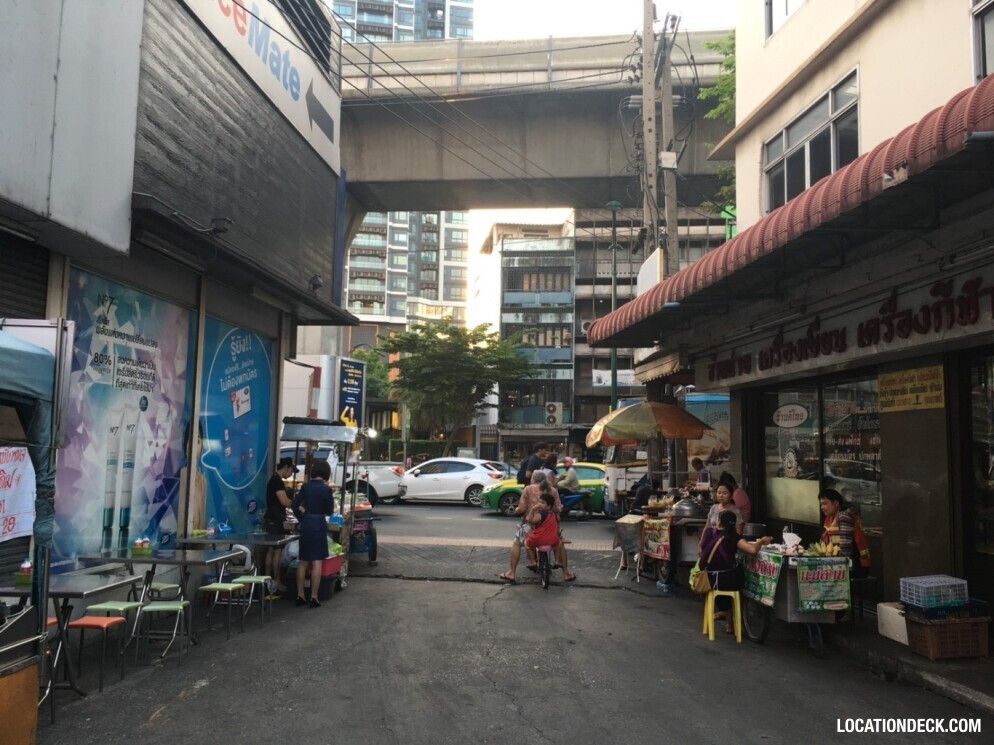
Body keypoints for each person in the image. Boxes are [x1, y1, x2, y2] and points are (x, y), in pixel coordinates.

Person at [699, 510, 772, 633]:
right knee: (736, 577)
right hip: (726, 581)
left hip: (708, 579)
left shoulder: (708, 533)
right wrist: (761, 541)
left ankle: (729, 623)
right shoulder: (735, 537)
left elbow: (702, 550)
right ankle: (732, 622)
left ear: (719, 522)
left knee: (727, 577)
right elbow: (753, 550)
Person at [499, 472, 575, 582]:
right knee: (559, 542)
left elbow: (522, 508)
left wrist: (517, 510)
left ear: (533, 479)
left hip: (531, 524)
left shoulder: (528, 489)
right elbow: (558, 508)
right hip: (549, 524)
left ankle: (511, 573)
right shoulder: (553, 490)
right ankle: (566, 573)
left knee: (517, 542)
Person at [291, 459, 335, 608]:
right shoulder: (326, 489)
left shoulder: (305, 486)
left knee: (303, 561)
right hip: (319, 524)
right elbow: (329, 511)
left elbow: (294, 504)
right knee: (317, 561)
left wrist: (302, 517)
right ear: (326, 473)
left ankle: (300, 595)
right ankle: (314, 597)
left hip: (306, 524)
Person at [819, 488, 871, 577]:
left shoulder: (844, 517)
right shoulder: (829, 518)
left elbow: (846, 549)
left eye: (825, 504)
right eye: (821, 504)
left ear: (836, 503)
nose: (822, 507)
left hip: (855, 565)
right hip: (841, 563)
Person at [264, 456, 296, 594]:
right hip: (275, 519)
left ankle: (267, 581)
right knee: (276, 550)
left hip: (272, 519)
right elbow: (284, 501)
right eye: (291, 471)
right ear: (286, 467)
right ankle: (276, 582)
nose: (291, 475)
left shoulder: (274, 480)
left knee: (271, 549)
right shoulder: (277, 481)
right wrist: (296, 503)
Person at [524, 492, 569, 576]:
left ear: (548, 506)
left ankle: (533, 562)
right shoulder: (554, 515)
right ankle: (557, 561)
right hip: (552, 540)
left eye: (543, 503)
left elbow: (531, 520)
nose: (540, 504)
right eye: (539, 502)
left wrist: (533, 509)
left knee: (527, 543)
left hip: (537, 539)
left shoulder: (541, 515)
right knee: (559, 543)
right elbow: (558, 520)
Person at [699, 481, 743, 554]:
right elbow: (707, 527)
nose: (721, 495)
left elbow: (738, 533)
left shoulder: (736, 512)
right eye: (719, 493)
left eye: (724, 493)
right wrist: (701, 543)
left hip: (726, 548)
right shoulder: (713, 508)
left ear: (731, 496)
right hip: (710, 545)